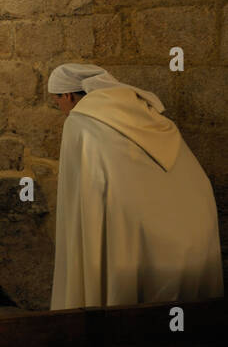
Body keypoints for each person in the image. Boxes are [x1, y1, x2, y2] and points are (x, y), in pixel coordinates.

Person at [49, 64, 222, 308]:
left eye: (56, 102)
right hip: (194, 233)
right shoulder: (142, 109)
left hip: (134, 240)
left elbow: (83, 196)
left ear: (67, 95)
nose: (60, 109)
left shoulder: (80, 122)